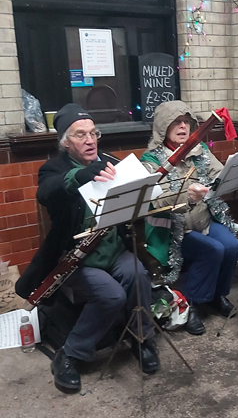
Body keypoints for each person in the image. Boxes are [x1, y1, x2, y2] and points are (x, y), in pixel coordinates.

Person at [15, 104, 159, 393]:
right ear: (66, 142)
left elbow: (139, 198)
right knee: (111, 295)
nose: (91, 140)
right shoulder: (53, 167)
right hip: (78, 258)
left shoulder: (109, 160)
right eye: (81, 135)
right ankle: (69, 354)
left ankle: (142, 339)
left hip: (115, 250)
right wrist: (79, 176)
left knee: (139, 274)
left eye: (94, 133)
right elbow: (47, 192)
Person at [140, 101, 238, 336]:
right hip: (172, 232)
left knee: (231, 245)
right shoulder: (152, 161)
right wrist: (187, 194)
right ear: (164, 126)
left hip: (203, 222)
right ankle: (192, 304)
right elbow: (157, 201)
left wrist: (230, 174)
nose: (183, 126)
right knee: (212, 250)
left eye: (186, 121)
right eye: (176, 121)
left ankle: (217, 295)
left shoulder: (199, 150)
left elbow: (218, 174)